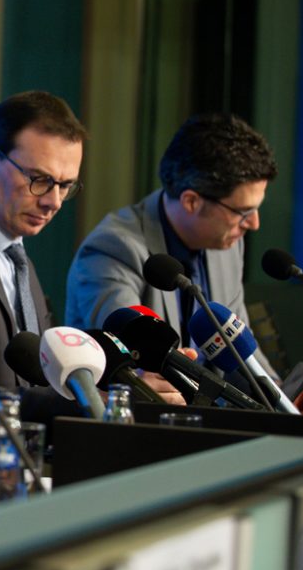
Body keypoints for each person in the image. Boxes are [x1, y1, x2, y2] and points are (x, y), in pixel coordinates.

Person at [0, 91, 177, 429]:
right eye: (39, 180)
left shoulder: (15, 251)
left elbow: (39, 380)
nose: (53, 202)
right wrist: (103, 400)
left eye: (65, 185)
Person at [65, 113, 278, 375]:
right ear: (191, 202)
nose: (253, 224)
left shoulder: (229, 243)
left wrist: (282, 399)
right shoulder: (114, 248)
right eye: (243, 212)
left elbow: (239, 349)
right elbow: (134, 362)